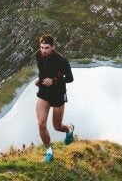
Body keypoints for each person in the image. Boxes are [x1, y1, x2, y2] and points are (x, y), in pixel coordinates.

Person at [34, 33, 74, 163]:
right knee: (41, 123)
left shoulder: (61, 60)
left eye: (47, 48)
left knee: (57, 126)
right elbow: (43, 72)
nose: (44, 50)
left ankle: (69, 128)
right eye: (42, 47)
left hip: (58, 95)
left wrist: (54, 80)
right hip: (44, 93)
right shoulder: (38, 55)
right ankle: (49, 152)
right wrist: (39, 80)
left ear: (53, 47)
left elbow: (69, 78)